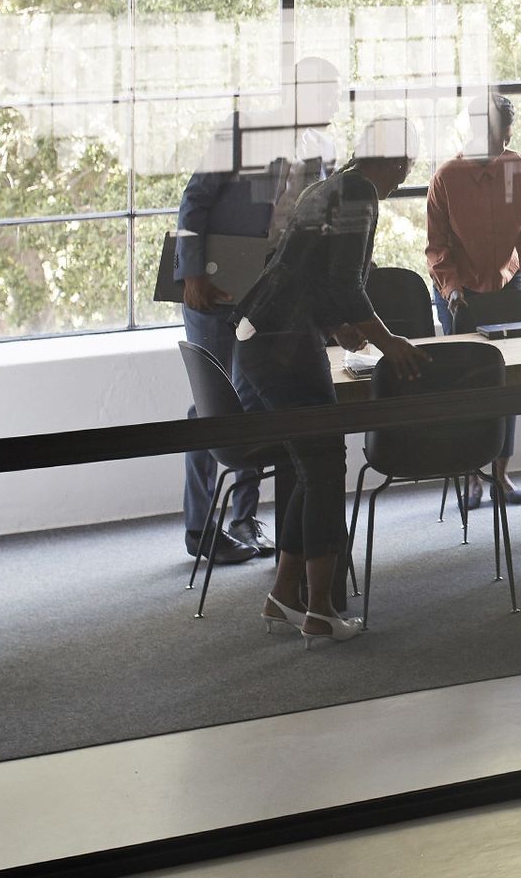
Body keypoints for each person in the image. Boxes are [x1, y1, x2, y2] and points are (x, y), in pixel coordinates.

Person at [234, 117, 430, 646]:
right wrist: (390, 342)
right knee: (323, 467)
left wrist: (340, 326)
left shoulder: (328, 186)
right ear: (397, 162)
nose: (403, 180)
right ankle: (319, 609)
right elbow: (344, 283)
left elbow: (308, 275)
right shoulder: (359, 194)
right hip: (284, 344)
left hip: (265, 337)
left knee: (311, 467)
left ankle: (284, 595)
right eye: (406, 168)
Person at [174, 55, 341, 566]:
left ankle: (243, 518)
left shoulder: (322, 150)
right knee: (212, 407)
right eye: (329, 93)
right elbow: (194, 201)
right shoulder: (244, 131)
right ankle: (201, 528)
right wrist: (192, 272)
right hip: (218, 284)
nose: (335, 103)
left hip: (273, 295)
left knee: (254, 404)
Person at [425, 87, 521, 507]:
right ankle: (471, 475)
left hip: (506, 282)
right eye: (497, 136)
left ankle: (500, 473)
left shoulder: (518, 167)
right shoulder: (447, 177)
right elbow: (437, 247)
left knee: (505, 381)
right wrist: (453, 290)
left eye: (507, 136)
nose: (503, 144)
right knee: (467, 385)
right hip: (460, 291)